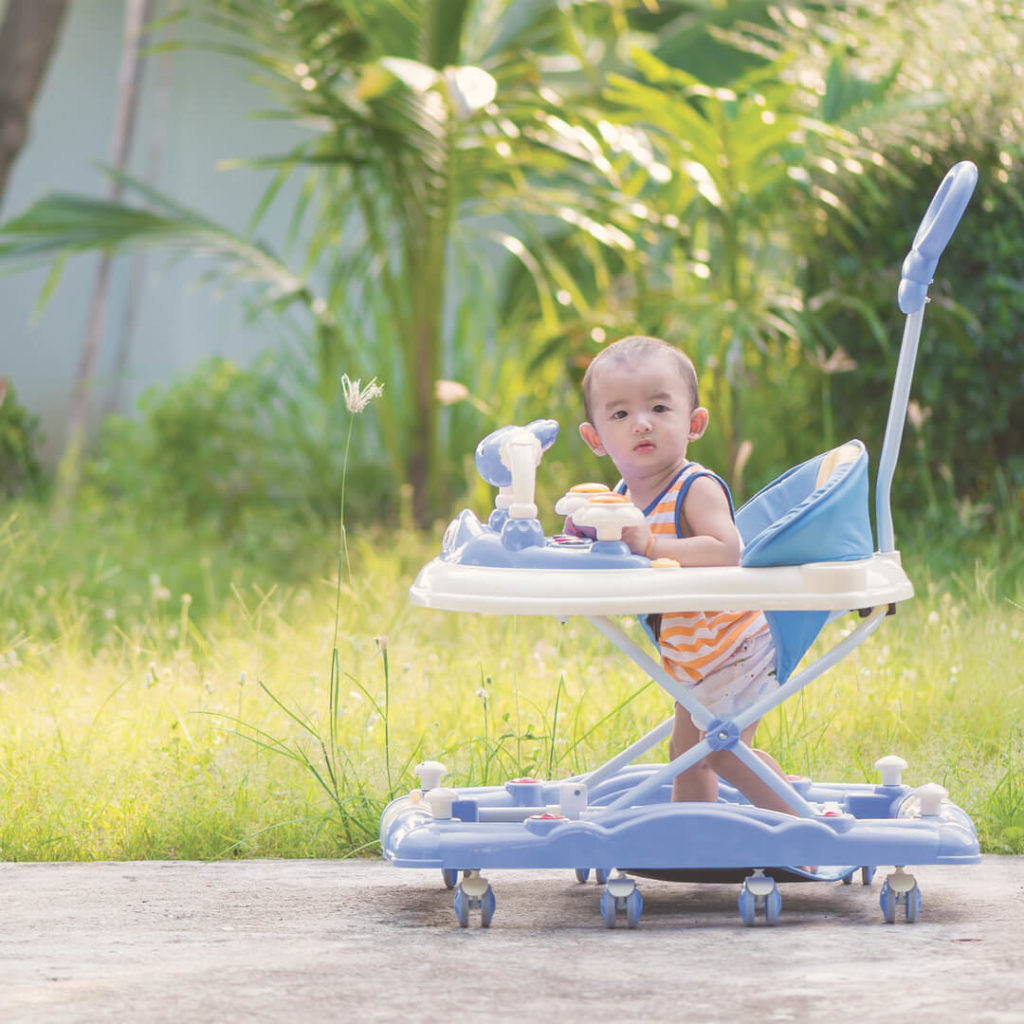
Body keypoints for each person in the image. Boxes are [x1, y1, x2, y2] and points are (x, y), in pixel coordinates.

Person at [577, 334, 796, 813]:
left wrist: (652, 545)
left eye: (659, 408)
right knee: (685, 756)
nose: (641, 423)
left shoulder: (693, 487)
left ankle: (809, 829)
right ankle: (692, 837)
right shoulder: (617, 499)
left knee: (722, 753)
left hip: (738, 649)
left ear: (693, 423)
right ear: (595, 437)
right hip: (695, 660)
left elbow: (727, 548)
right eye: (619, 414)